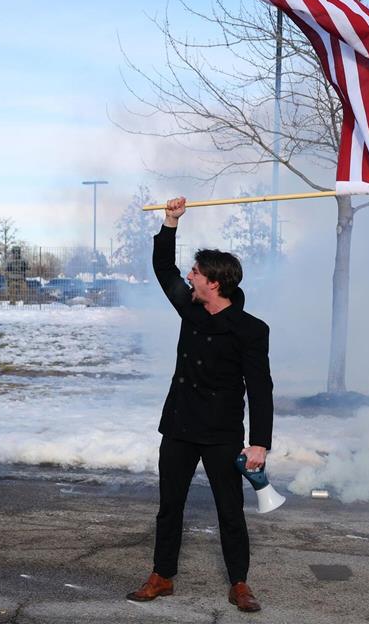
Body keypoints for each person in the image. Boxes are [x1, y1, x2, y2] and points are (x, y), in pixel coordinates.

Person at [126, 197, 274, 613]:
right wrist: (170, 222)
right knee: (169, 506)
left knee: (230, 511)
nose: (189, 278)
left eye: (197, 273)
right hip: (178, 426)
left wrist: (259, 442)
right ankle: (162, 575)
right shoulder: (189, 309)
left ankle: (240, 583)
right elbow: (163, 269)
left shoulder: (250, 330)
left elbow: (261, 388)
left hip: (222, 433)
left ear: (215, 283)